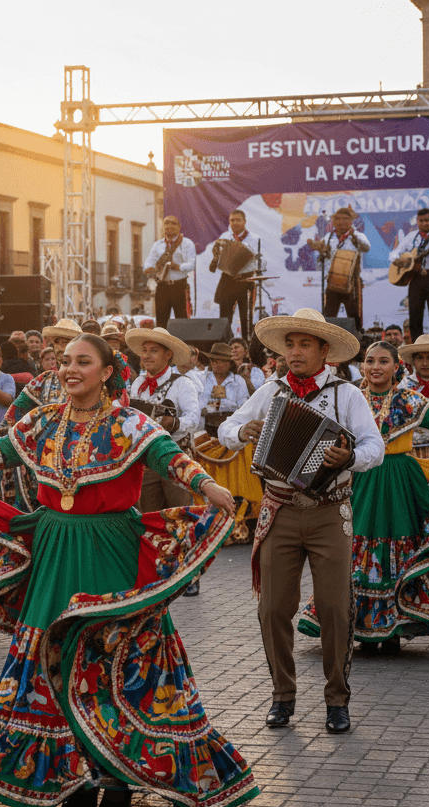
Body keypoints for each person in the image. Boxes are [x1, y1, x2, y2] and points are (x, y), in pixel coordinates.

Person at [0, 334, 255, 807]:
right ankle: (71, 774)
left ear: (106, 372)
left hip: (111, 552)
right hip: (56, 550)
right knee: (49, 654)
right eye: (64, 362)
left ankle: (120, 776)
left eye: (82, 362)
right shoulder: (42, 422)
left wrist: (208, 486)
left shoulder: (129, 423)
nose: (69, 370)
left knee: (118, 651)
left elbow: (170, 457)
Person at [217, 309, 385, 734]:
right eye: (289, 344)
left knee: (334, 609)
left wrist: (350, 457)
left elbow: (374, 447)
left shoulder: (347, 394)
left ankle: (337, 699)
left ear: (324, 351)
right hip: (279, 509)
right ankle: (282, 696)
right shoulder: (270, 390)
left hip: (331, 512)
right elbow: (227, 427)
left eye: (304, 344)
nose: (294, 352)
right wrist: (243, 432)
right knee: (272, 608)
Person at [297, 340, 429, 653]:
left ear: (397, 367)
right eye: (370, 361)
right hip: (359, 479)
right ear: (363, 366)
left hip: (401, 481)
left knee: (400, 547)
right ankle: (360, 625)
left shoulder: (409, 400)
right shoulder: (350, 397)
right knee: (355, 547)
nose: (376, 367)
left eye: (384, 361)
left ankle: (394, 625)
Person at [190, 343, 261, 564]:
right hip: (206, 434)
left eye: (223, 361)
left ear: (229, 363)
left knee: (241, 476)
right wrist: (211, 406)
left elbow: (243, 407)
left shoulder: (238, 381)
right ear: (210, 362)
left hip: (230, 434)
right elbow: (197, 405)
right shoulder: (200, 378)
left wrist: (224, 407)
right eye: (215, 361)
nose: (218, 364)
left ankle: (240, 520)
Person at [125, 326, 201, 512]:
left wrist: (173, 423)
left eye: (154, 351)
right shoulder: (137, 383)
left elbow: (193, 419)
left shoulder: (182, 383)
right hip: (147, 461)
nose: (147, 356)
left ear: (168, 355)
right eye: (144, 351)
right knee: (149, 517)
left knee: (180, 516)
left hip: (176, 459)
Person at [388, 208, 429, 340]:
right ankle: (417, 345)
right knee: (415, 314)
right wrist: (398, 260)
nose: (424, 223)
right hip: (416, 278)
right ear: (417, 222)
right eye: (421, 221)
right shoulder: (412, 237)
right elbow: (394, 252)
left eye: (427, 220)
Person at [2, 319, 82, 427]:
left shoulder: (92, 380)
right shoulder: (44, 381)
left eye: (66, 341)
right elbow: (10, 421)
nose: (61, 346)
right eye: (57, 341)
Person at [307, 207, 370, 330]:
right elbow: (321, 247)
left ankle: (357, 340)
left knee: (354, 315)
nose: (341, 222)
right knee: (329, 315)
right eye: (338, 219)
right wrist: (316, 246)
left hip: (352, 282)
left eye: (345, 219)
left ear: (351, 221)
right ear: (333, 222)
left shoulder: (358, 235)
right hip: (333, 282)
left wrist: (354, 237)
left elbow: (366, 247)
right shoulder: (329, 237)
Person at [211, 209, 261, 338]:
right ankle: (226, 346)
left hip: (246, 279)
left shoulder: (254, 238)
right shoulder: (224, 237)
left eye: (238, 220)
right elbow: (219, 256)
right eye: (232, 220)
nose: (235, 223)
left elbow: (252, 257)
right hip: (227, 279)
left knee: (246, 317)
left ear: (244, 221)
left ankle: (246, 348)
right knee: (224, 317)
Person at [143, 216, 196, 328]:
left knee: (182, 321)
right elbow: (148, 262)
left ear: (179, 227)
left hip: (179, 286)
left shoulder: (187, 243)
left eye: (173, 223)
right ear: (163, 226)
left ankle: (184, 345)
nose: (169, 226)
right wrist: (150, 268)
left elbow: (192, 264)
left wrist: (178, 266)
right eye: (167, 223)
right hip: (162, 286)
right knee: (161, 322)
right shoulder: (157, 245)